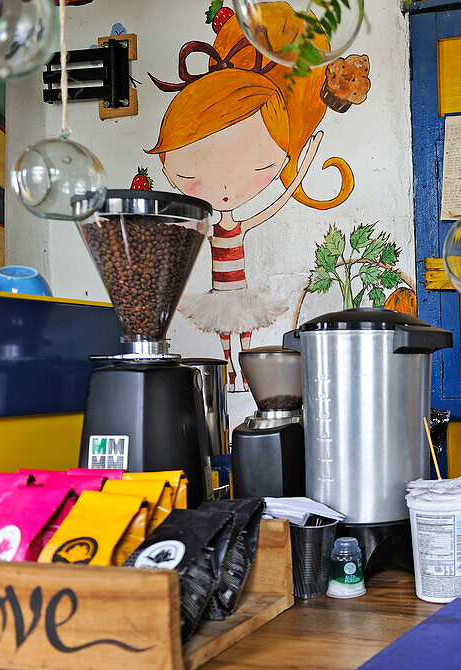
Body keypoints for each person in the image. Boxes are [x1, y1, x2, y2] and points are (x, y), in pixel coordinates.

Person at [147, 5, 358, 390]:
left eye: (261, 164)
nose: (225, 186)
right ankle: (230, 373)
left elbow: (275, 204)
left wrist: (304, 161)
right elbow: (180, 229)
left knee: (242, 329)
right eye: (190, 173)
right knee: (228, 331)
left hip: (238, 290)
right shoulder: (210, 227)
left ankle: (240, 372)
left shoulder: (233, 226)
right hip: (220, 292)